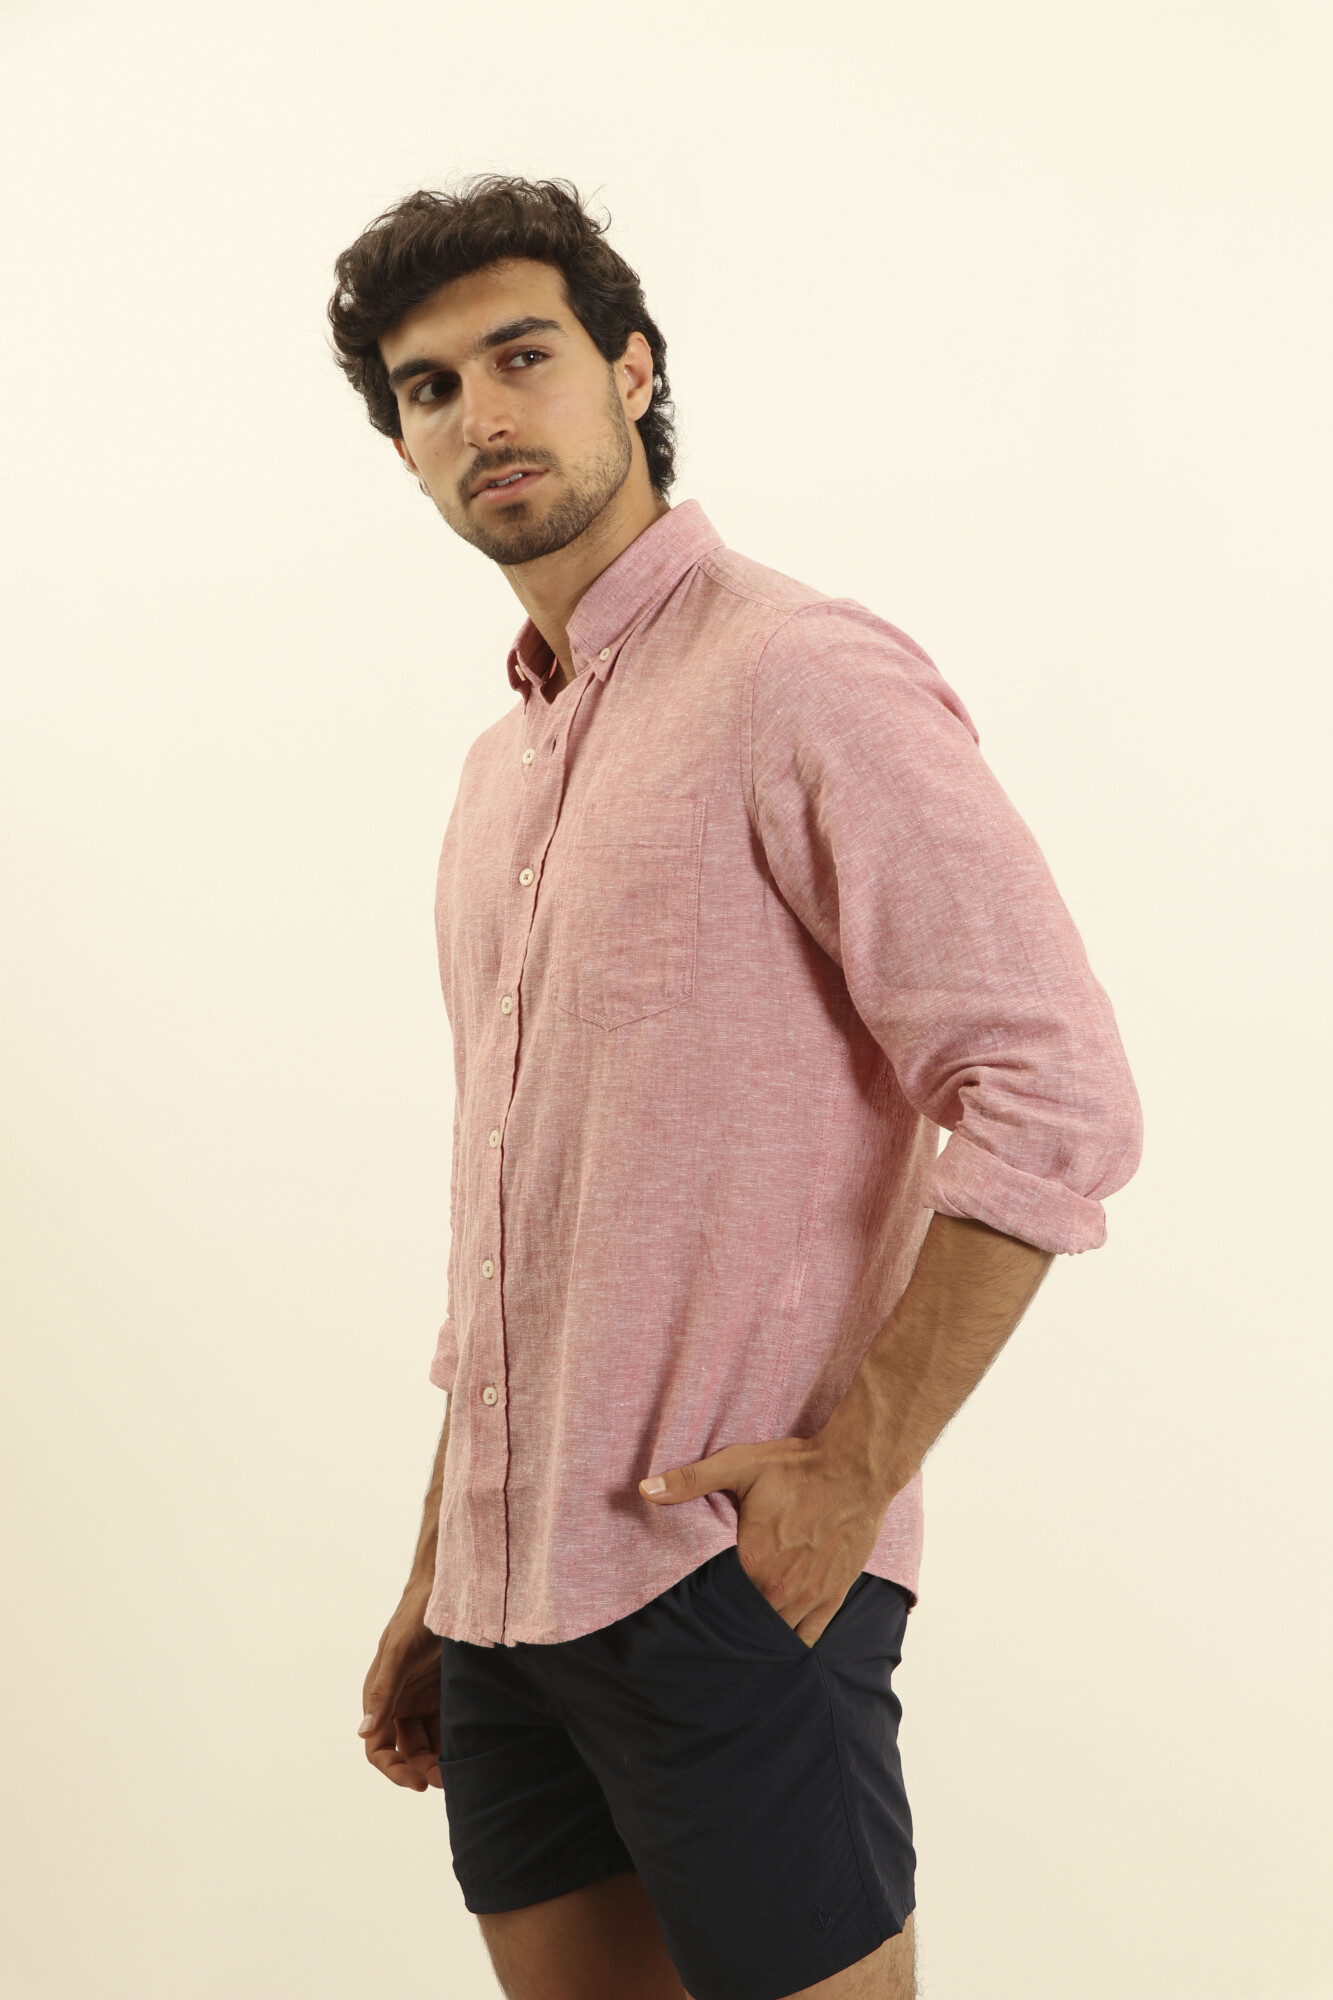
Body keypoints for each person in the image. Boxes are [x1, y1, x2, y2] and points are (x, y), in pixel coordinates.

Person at [328, 176, 1142, 2000]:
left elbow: (1053, 1091)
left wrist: (852, 1476)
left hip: (721, 1579)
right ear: (403, 447)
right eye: (430, 388)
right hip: (506, 1603)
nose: (481, 413)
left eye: (522, 357)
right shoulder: (494, 774)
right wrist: (445, 1560)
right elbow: (514, 1226)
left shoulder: (798, 674)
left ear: (631, 371)